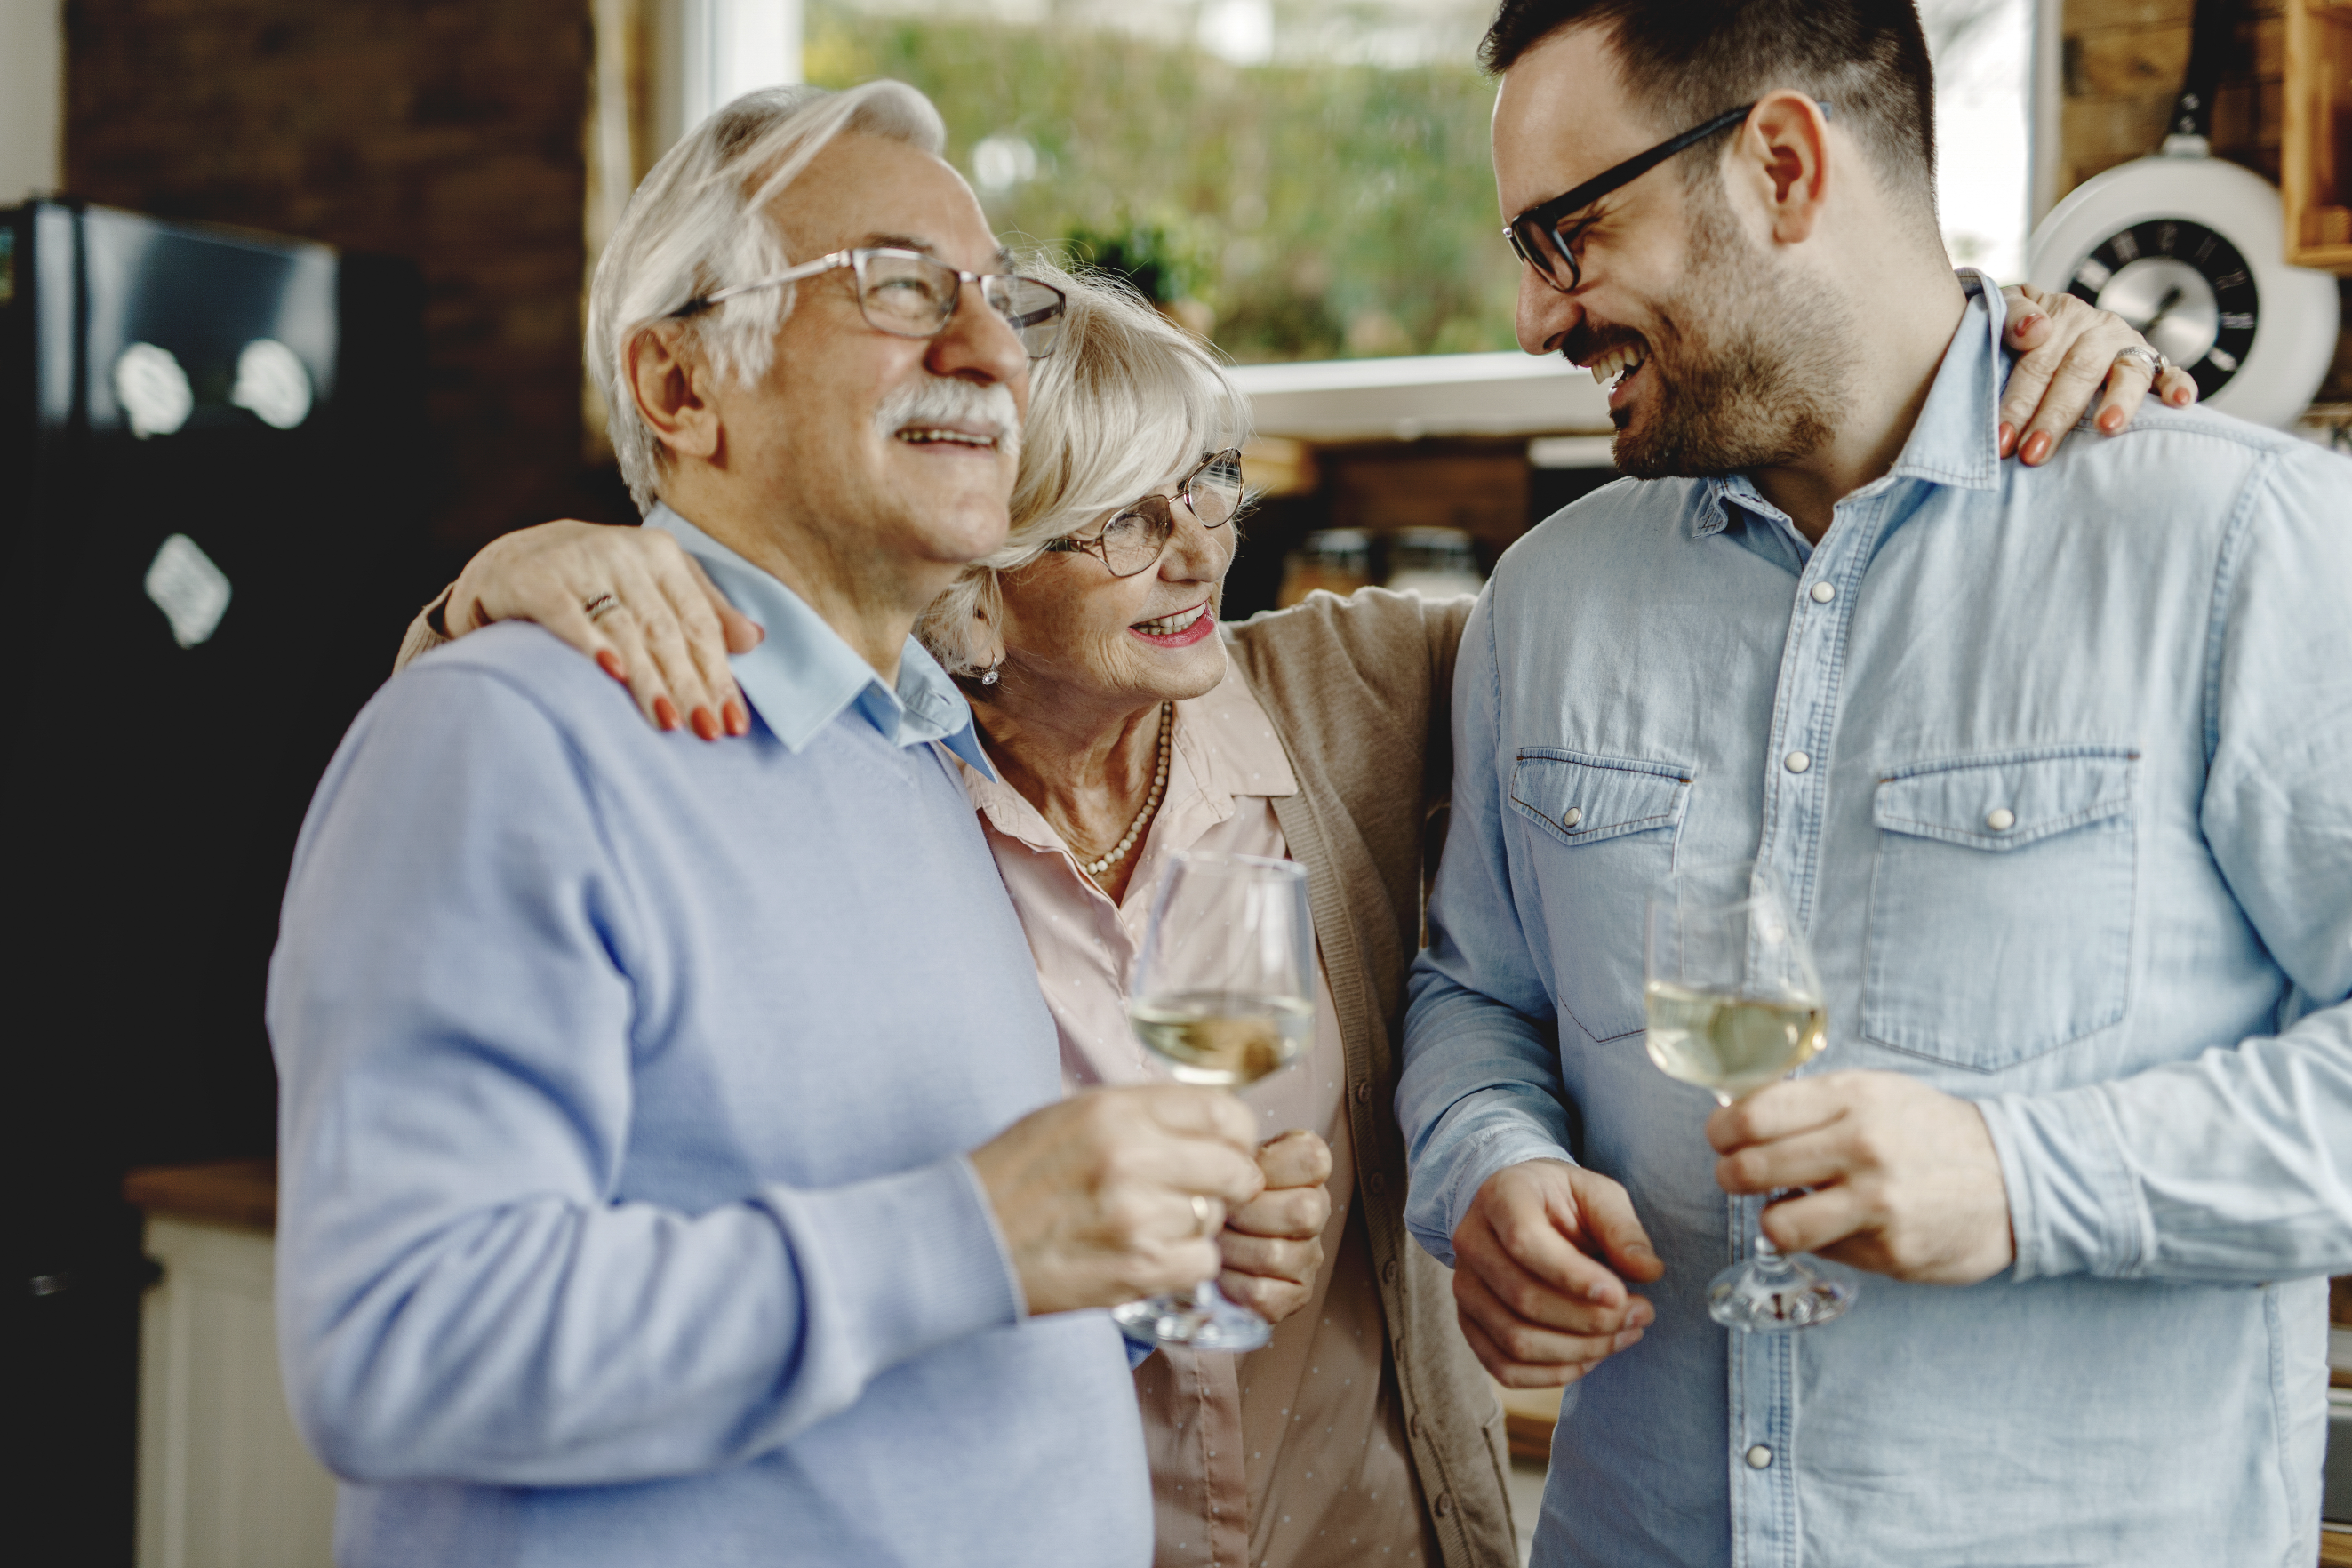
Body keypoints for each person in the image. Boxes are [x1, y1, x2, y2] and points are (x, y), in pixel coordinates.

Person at [400, 253, 2176, 1567]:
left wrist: (1973, 340)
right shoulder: (840, 787)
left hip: (1368, 1537)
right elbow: (503, 801)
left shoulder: (1367, 694)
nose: (1200, 548)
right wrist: (500, 583)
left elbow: (1698, 648)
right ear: (971, 556)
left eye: (1214, 481)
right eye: (1117, 517)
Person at [268, 82, 1280, 1568]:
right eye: (896, 286)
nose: (991, 347)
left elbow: (905, 1300)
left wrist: (1126, 1263)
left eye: (994, 299)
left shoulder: (919, 760)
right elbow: (398, 1344)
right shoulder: (498, 738)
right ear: (680, 388)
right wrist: (982, 1233)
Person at [1396, 2, 2352, 1564]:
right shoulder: (1547, 599)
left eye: (1567, 234)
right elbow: (1474, 994)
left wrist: (2023, 1180)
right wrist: (1485, 1160)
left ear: (1779, 165)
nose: (1530, 316)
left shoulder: (2241, 548)